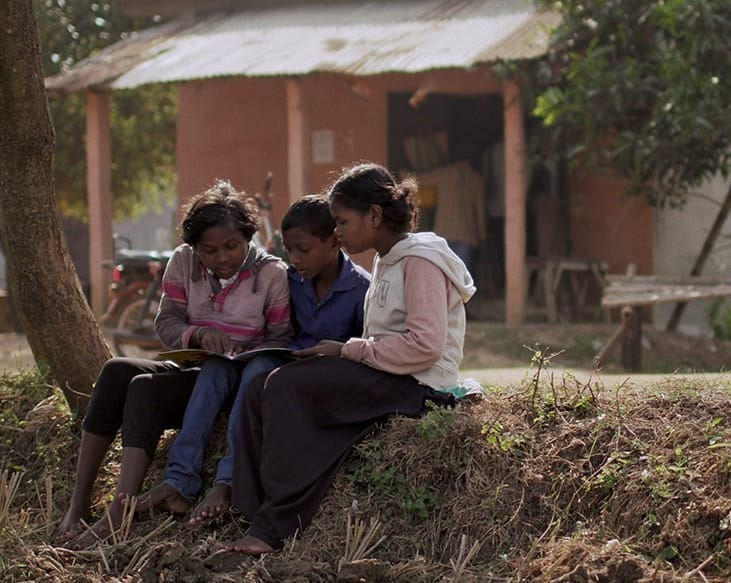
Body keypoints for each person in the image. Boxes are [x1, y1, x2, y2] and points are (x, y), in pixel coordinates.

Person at [225, 162, 476, 555]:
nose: (337, 232)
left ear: (374, 215)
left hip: (419, 385)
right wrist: (347, 353)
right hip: (388, 374)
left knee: (288, 387)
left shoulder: (420, 261)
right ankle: (251, 508)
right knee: (260, 386)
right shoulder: (387, 258)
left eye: (342, 221)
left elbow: (425, 346)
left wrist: (347, 349)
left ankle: (275, 527)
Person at [55, 179, 291, 548]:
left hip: (238, 376)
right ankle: (78, 503)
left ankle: (120, 511)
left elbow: (282, 336)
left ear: (248, 237)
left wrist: (245, 349)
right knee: (116, 370)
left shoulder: (270, 272)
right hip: (196, 368)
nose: (222, 258)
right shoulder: (183, 261)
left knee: (144, 388)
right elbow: (166, 323)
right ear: (194, 247)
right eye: (209, 250)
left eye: (231, 246)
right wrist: (198, 335)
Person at [134, 194, 371, 523]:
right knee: (216, 368)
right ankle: (179, 480)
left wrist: (336, 351)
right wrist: (215, 341)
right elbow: (170, 321)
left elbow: (355, 345)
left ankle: (227, 481)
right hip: (259, 362)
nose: (295, 259)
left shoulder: (357, 288)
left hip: (298, 372)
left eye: (303, 250)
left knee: (259, 369)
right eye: (290, 250)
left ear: (335, 241)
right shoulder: (293, 278)